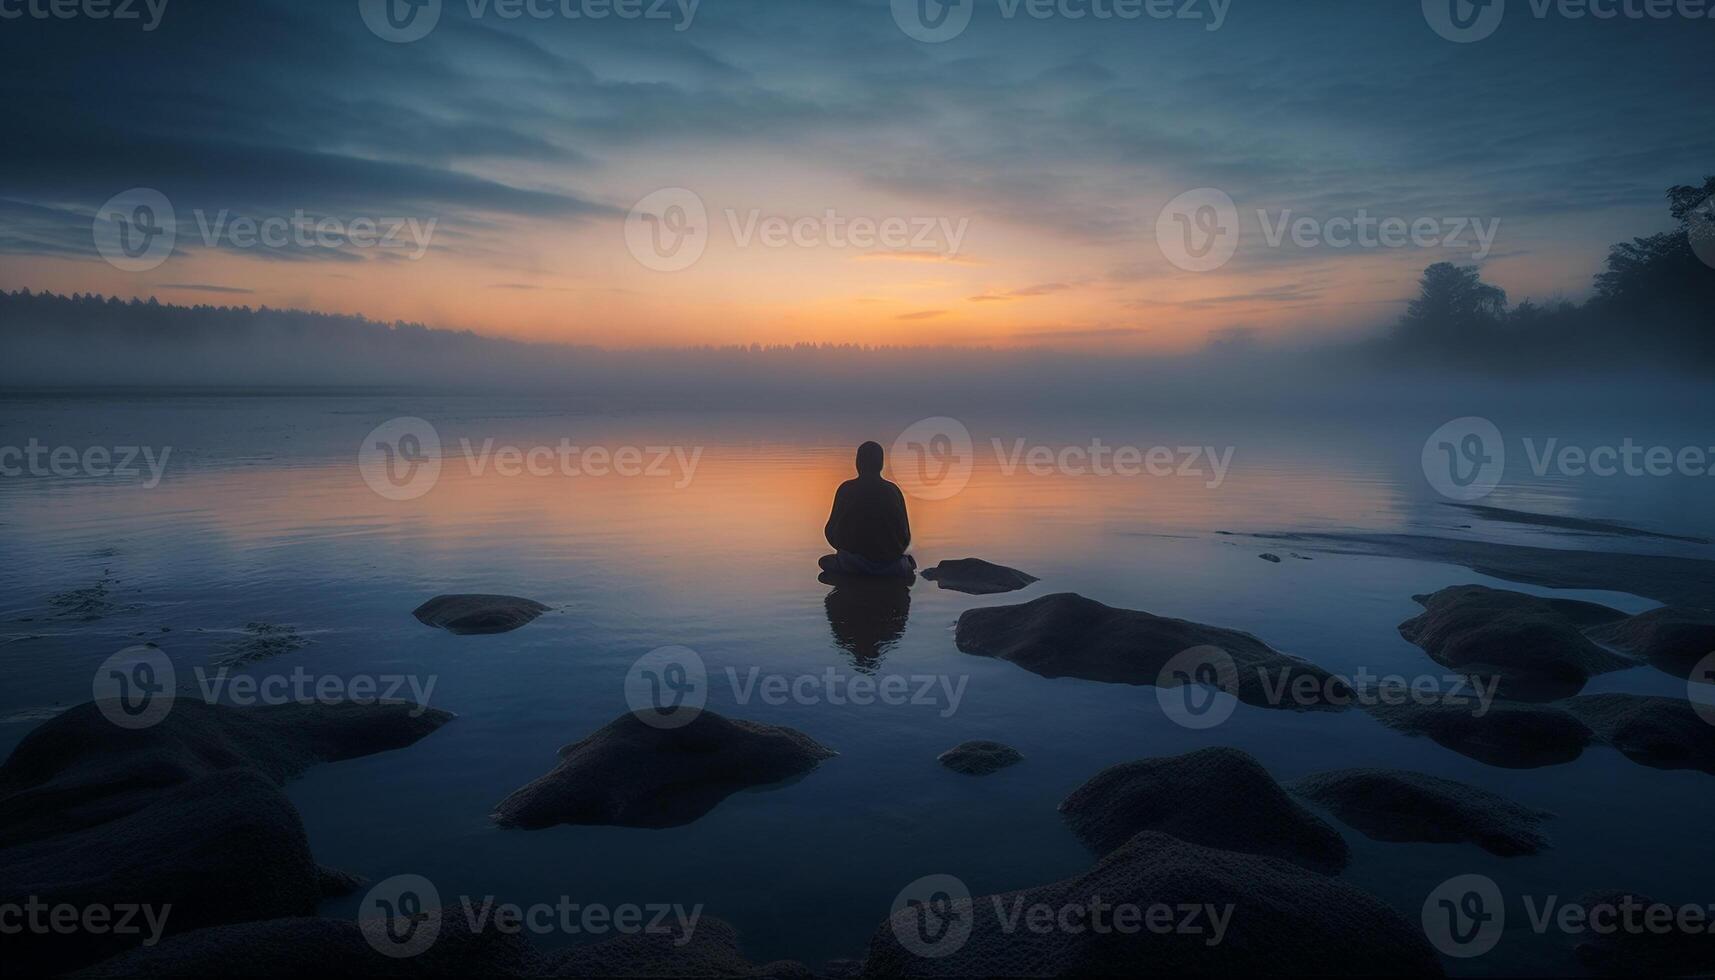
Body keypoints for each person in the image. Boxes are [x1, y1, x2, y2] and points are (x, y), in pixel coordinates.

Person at [819, 441, 915, 579]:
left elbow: (831, 531)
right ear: (881, 464)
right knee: (907, 563)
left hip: (853, 563)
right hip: (890, 565)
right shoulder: (893, 490)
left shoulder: (846, 489)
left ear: (858, 463)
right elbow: (905, 536)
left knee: (825, 562)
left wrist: (846, 546)